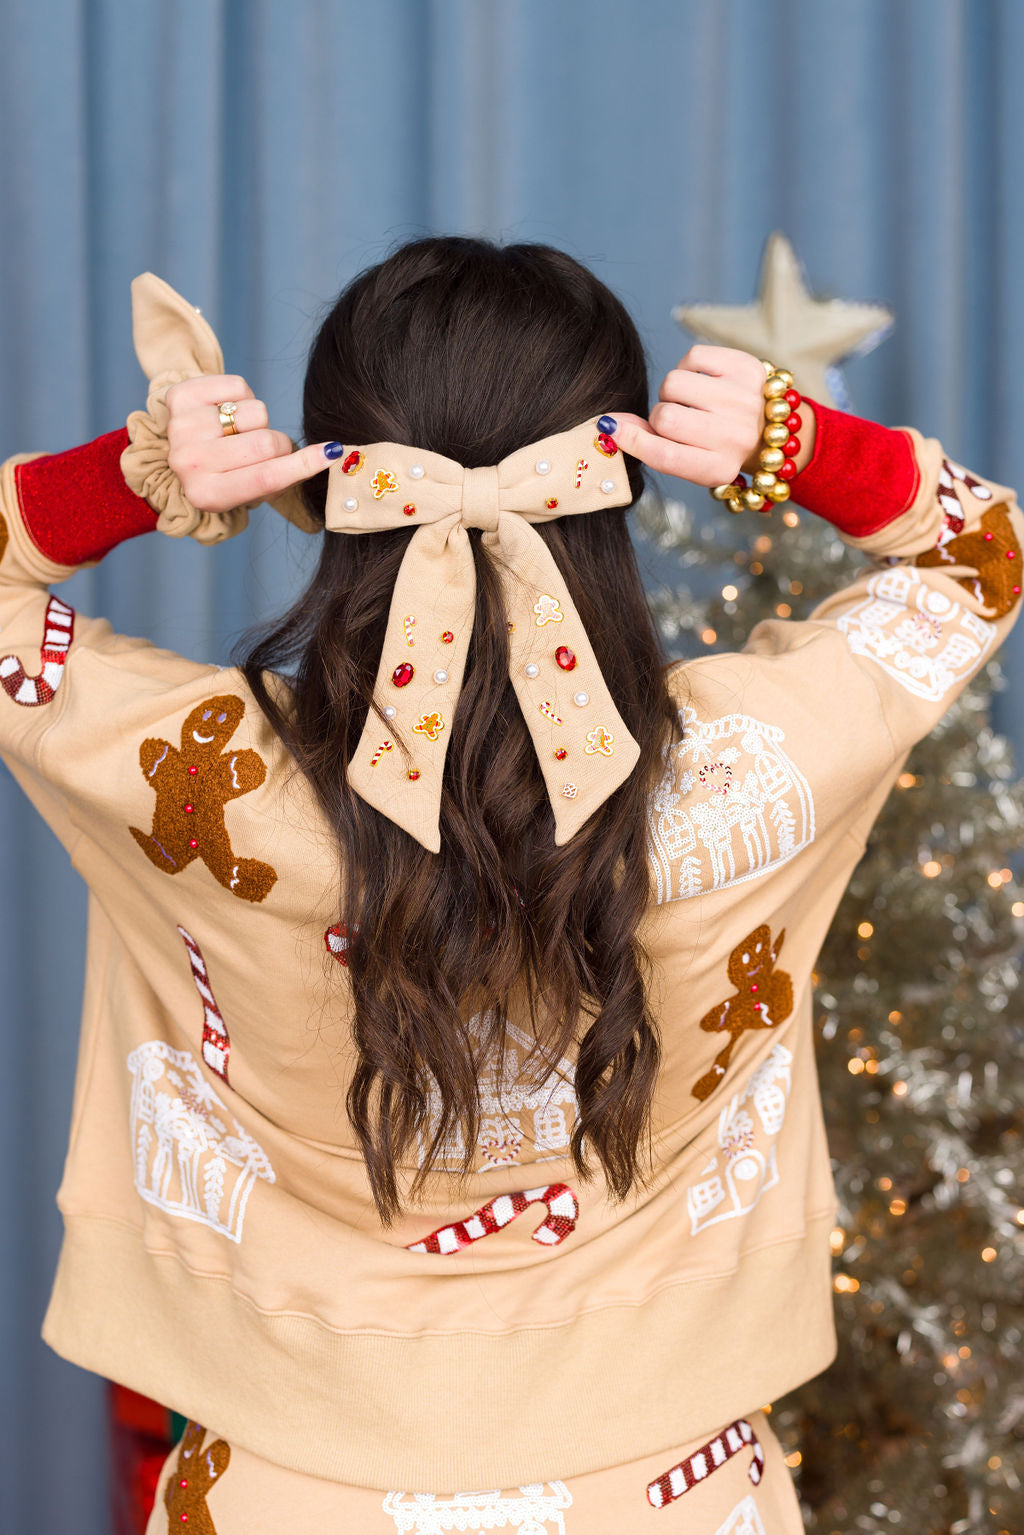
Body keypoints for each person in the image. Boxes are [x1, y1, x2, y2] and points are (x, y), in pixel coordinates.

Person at [1, 236, 1019, 1535]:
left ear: (331, 477)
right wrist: (796, 444)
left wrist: (133, 478)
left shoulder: (198, 782)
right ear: (611, 489)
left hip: (282, 1497)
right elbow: (979, 557)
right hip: (675, 1500)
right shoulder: (744, 779)